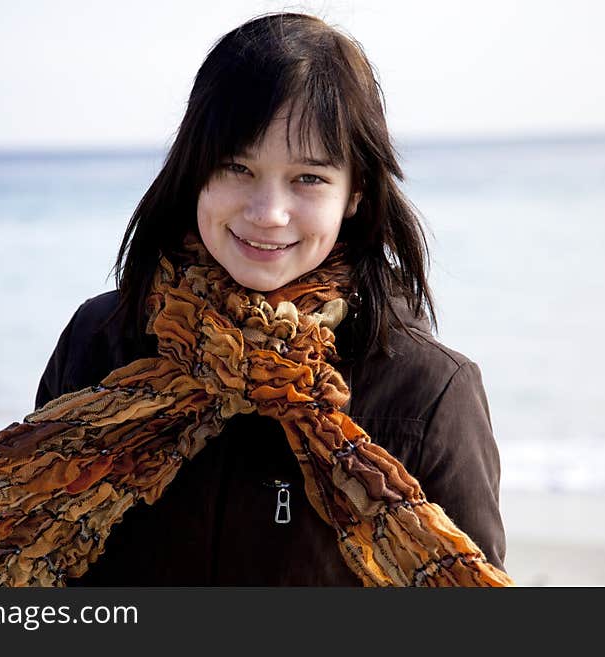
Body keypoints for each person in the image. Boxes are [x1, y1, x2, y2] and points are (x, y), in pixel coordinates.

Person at [34, 12, 507, 586]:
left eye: (308, 178)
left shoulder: (428, 391)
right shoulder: (101, 338)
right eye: (238, 167)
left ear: (355, 190)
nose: (268, 214)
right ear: (194, 172)